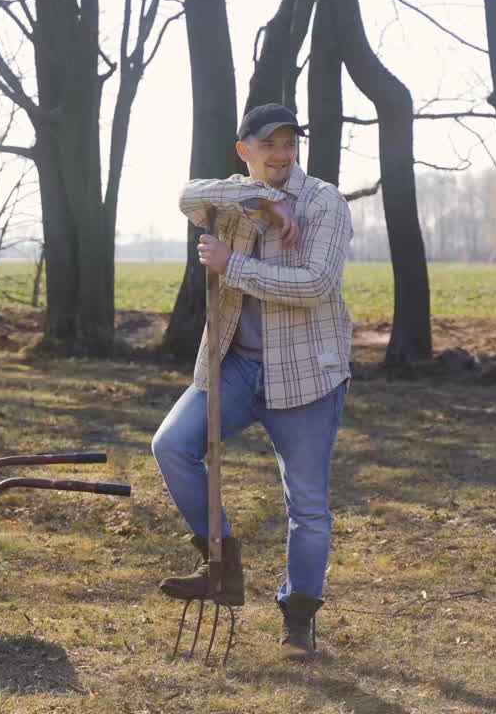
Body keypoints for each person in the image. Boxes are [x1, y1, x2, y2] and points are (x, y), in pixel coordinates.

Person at [151, 103, 353, 660]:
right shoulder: (234, 197)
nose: (283, 154)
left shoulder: (325, 203)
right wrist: (261, 201)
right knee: (171, 446)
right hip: (236, 365)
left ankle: (299, 619)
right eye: (270, 145)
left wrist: (230, 266)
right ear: (246, 152)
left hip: (308, 372)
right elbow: (189, 196)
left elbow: (315, 284)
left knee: (307, 505)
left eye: (290, 143)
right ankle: (222, 563)